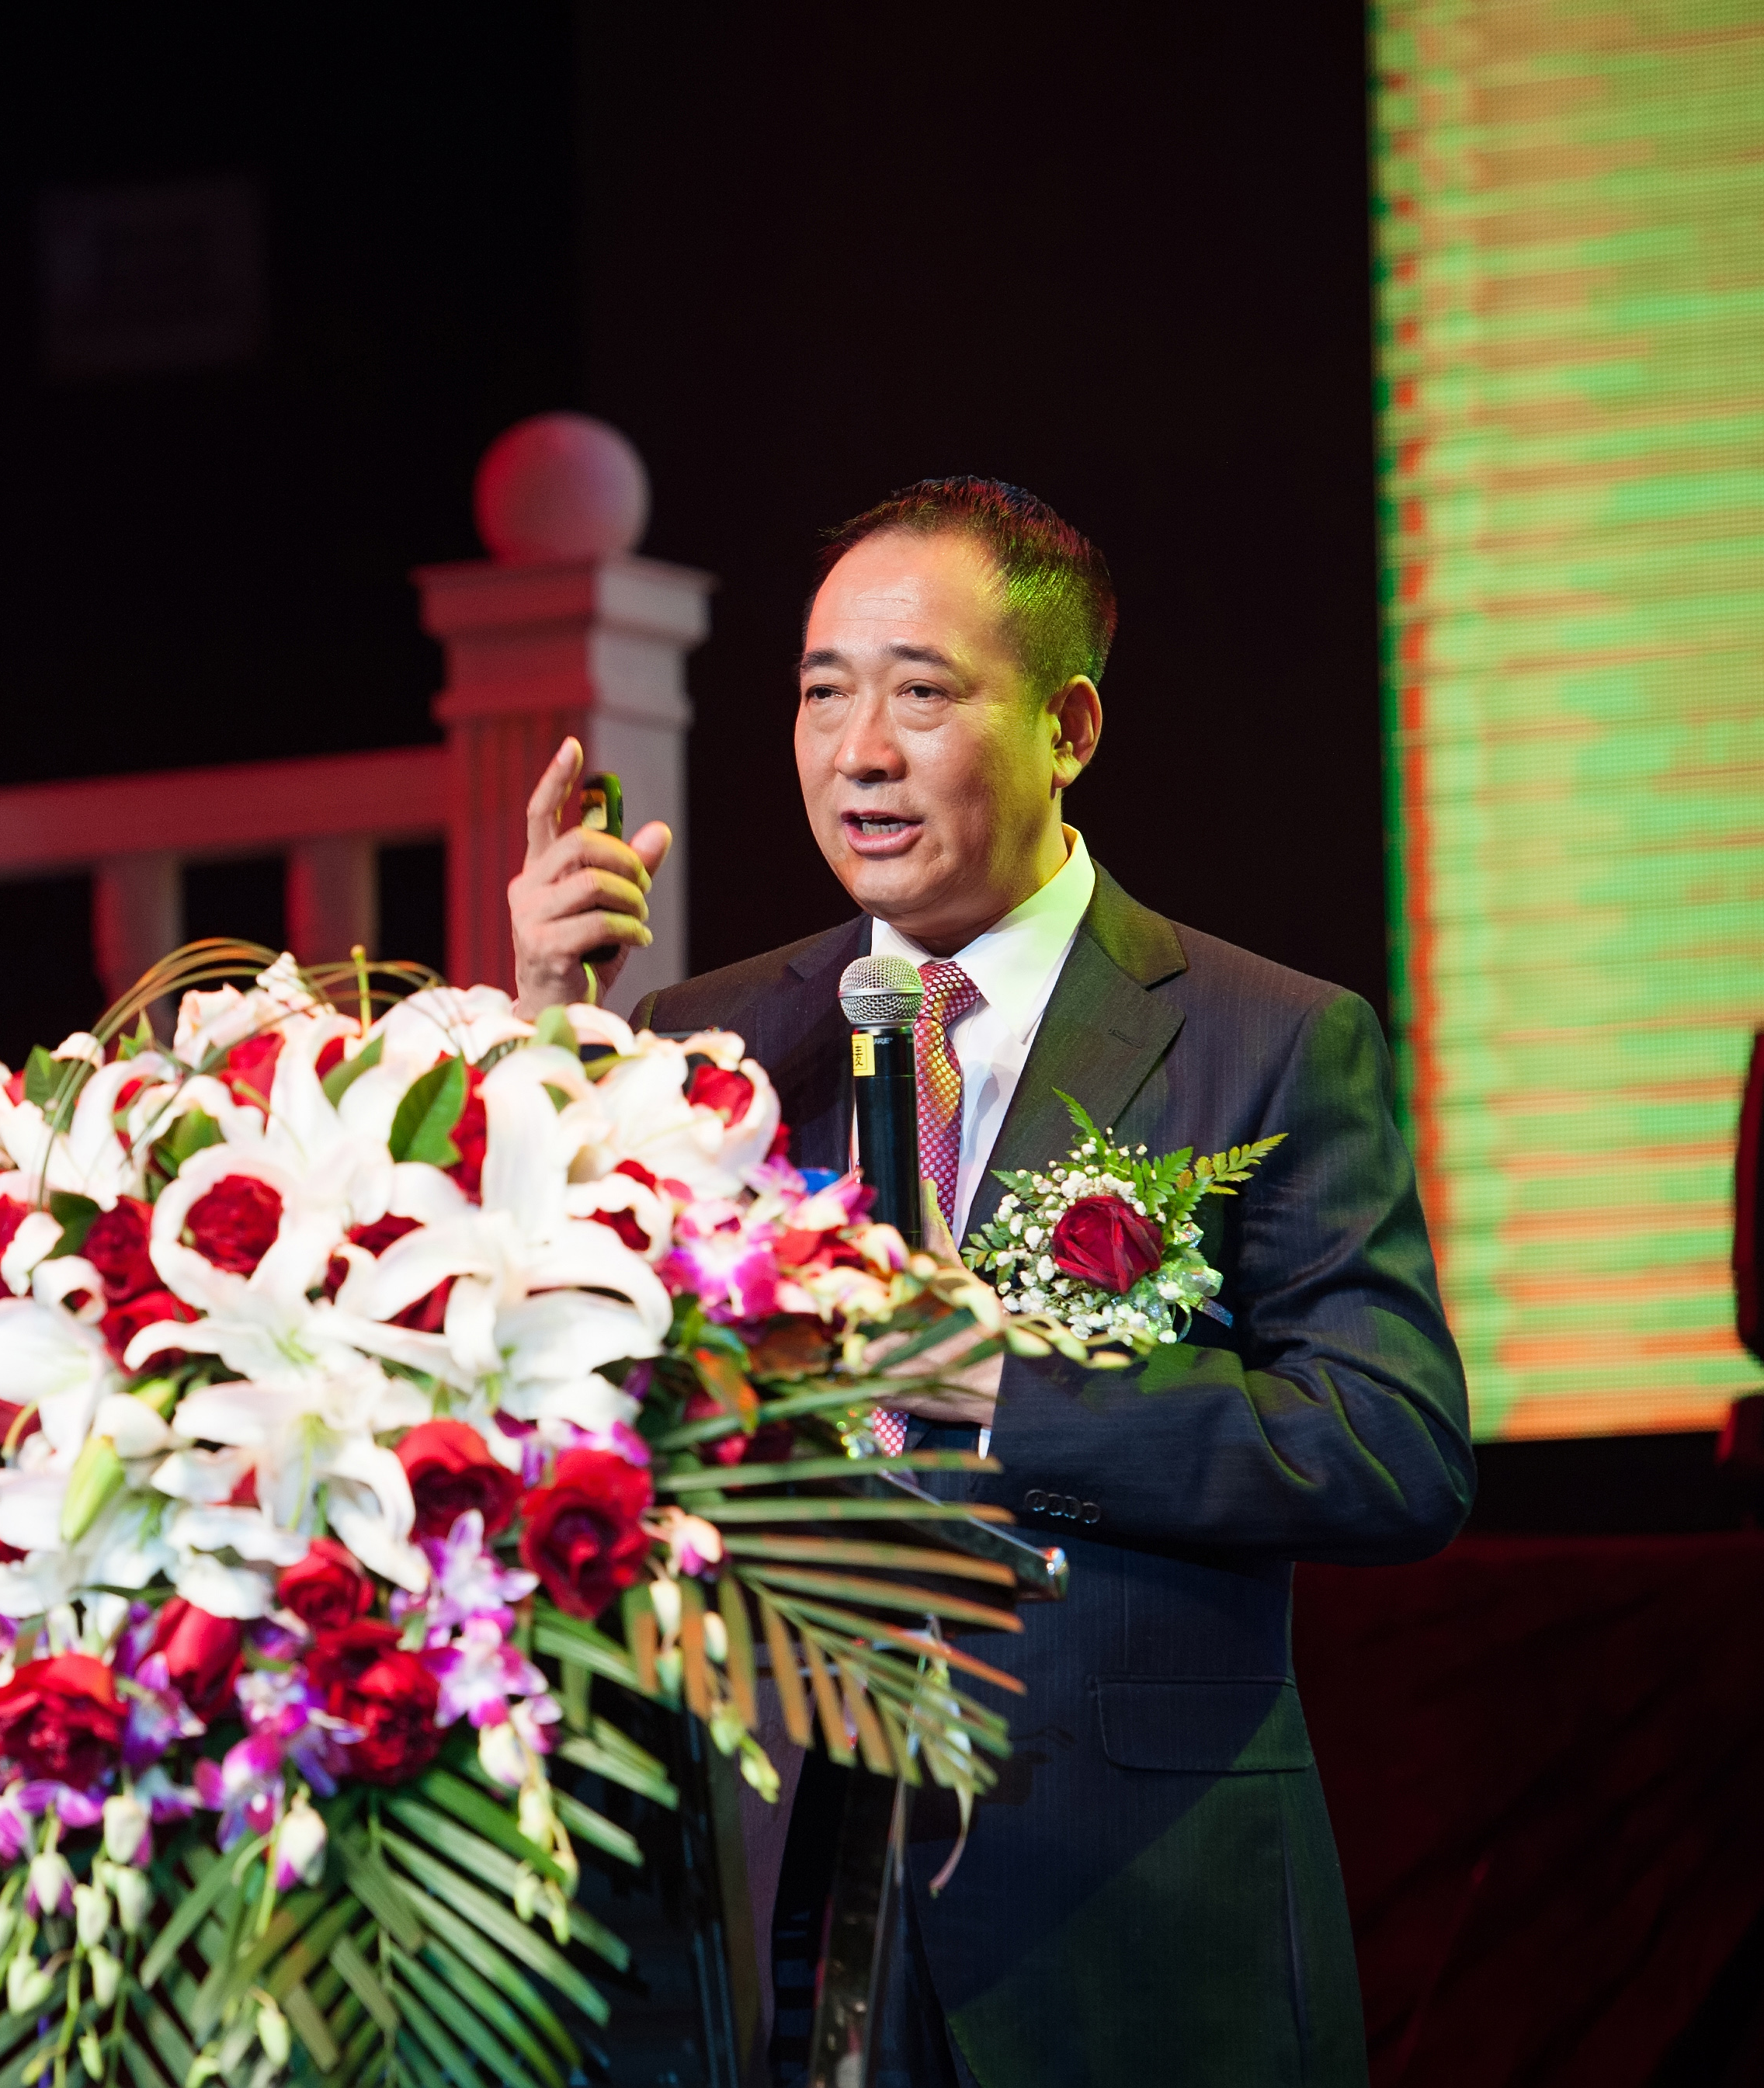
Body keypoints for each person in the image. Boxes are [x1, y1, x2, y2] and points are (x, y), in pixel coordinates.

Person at [508, 478, 1474, 2088]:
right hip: (777, 1908)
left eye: (920, 693)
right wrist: (547, 1024)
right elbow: (547, 1394)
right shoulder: (697, 1046)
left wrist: (995, 1388)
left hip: (1121, 1915)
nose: (857, 752)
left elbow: (1390, 1448)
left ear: (1067, 727)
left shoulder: (1265, 1038)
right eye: (821, 693)